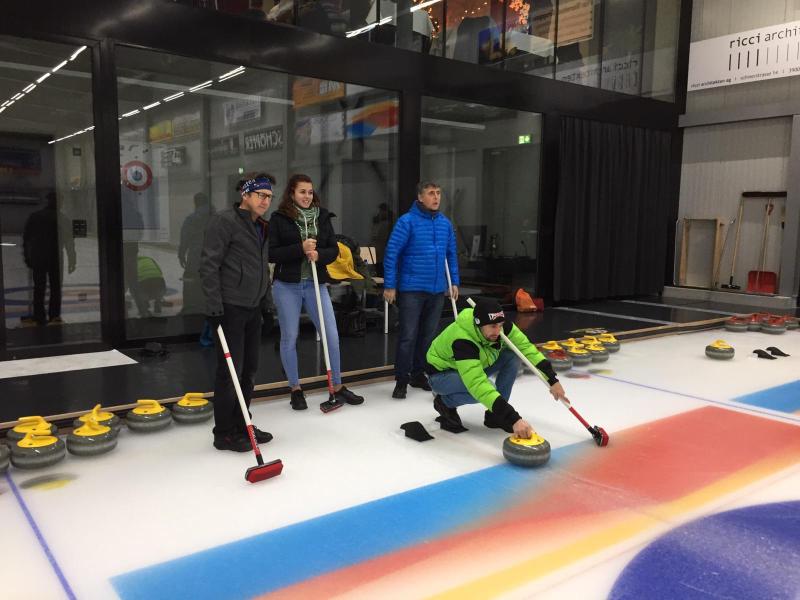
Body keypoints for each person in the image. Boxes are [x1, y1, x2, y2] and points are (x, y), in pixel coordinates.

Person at [269, 174, 364, 410]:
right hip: (287, 286)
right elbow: (271, 253)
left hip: (315, 284)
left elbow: (333, 249)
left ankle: (337, 386)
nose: (307, 196)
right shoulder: (279, 218)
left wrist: (319, 255)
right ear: (292, 193)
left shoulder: (322, 217)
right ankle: (295, 389)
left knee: (331, 334)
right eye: (302, 192)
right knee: (290, 337)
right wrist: (300, 249)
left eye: (310, 192)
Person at [200, 174, 274, 452]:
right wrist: (214, 307)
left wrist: (267, 305)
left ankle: (243, 424)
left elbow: (263, 269)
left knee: (249, 371)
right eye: (261, 195)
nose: (266, 201)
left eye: (269, 197)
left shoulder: (261, 226)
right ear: (246, 194)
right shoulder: (224, 221)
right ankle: (223, 433)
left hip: (253, 308)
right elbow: (209, 265)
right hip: (230, 308)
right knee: (230, 372)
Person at [425, 297, 568, 439]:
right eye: (493, 326)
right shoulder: (463, 341)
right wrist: (513, 419)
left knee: (512, 356)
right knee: (486, 388)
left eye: (500, 325)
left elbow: (527, 349)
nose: (498, 331)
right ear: (478, 324)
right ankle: (444, 403)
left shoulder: (501, 328)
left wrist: (552, 379)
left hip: (473, 366)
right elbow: (477, 384)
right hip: (441, 376)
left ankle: (495, 416)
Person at [383, 181, 459, 399]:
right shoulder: (407, 222)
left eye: (438, 193)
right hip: (412, 288)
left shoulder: (444, 223)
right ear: (420, 197)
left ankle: (418, 374)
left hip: (436, 289)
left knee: (428, 336)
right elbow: (391, 253)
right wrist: (390, 285)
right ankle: (402, 379)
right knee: (408, 336)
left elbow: (451, 254)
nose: (436, 197)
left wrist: (453, 281)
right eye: (431, 193)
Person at [22, 192, 76, 325]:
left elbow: (26, 239)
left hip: (39, 256)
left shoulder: (35, 217)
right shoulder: (63, 219)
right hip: (55, 257)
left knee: (39, 288)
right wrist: (72, 259)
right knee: (56, 288)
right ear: (60, 202)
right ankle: (54, 315)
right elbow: (69, 242)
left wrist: (27, 257)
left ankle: (39, 315)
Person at [178, 192, 215, 316]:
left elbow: (185, 237)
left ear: (196, 203)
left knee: (189, 280)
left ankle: (189, 308)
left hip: (196, 257)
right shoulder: (216, 217)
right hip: (214, 257)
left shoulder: (192, 219)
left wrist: (181, 254)